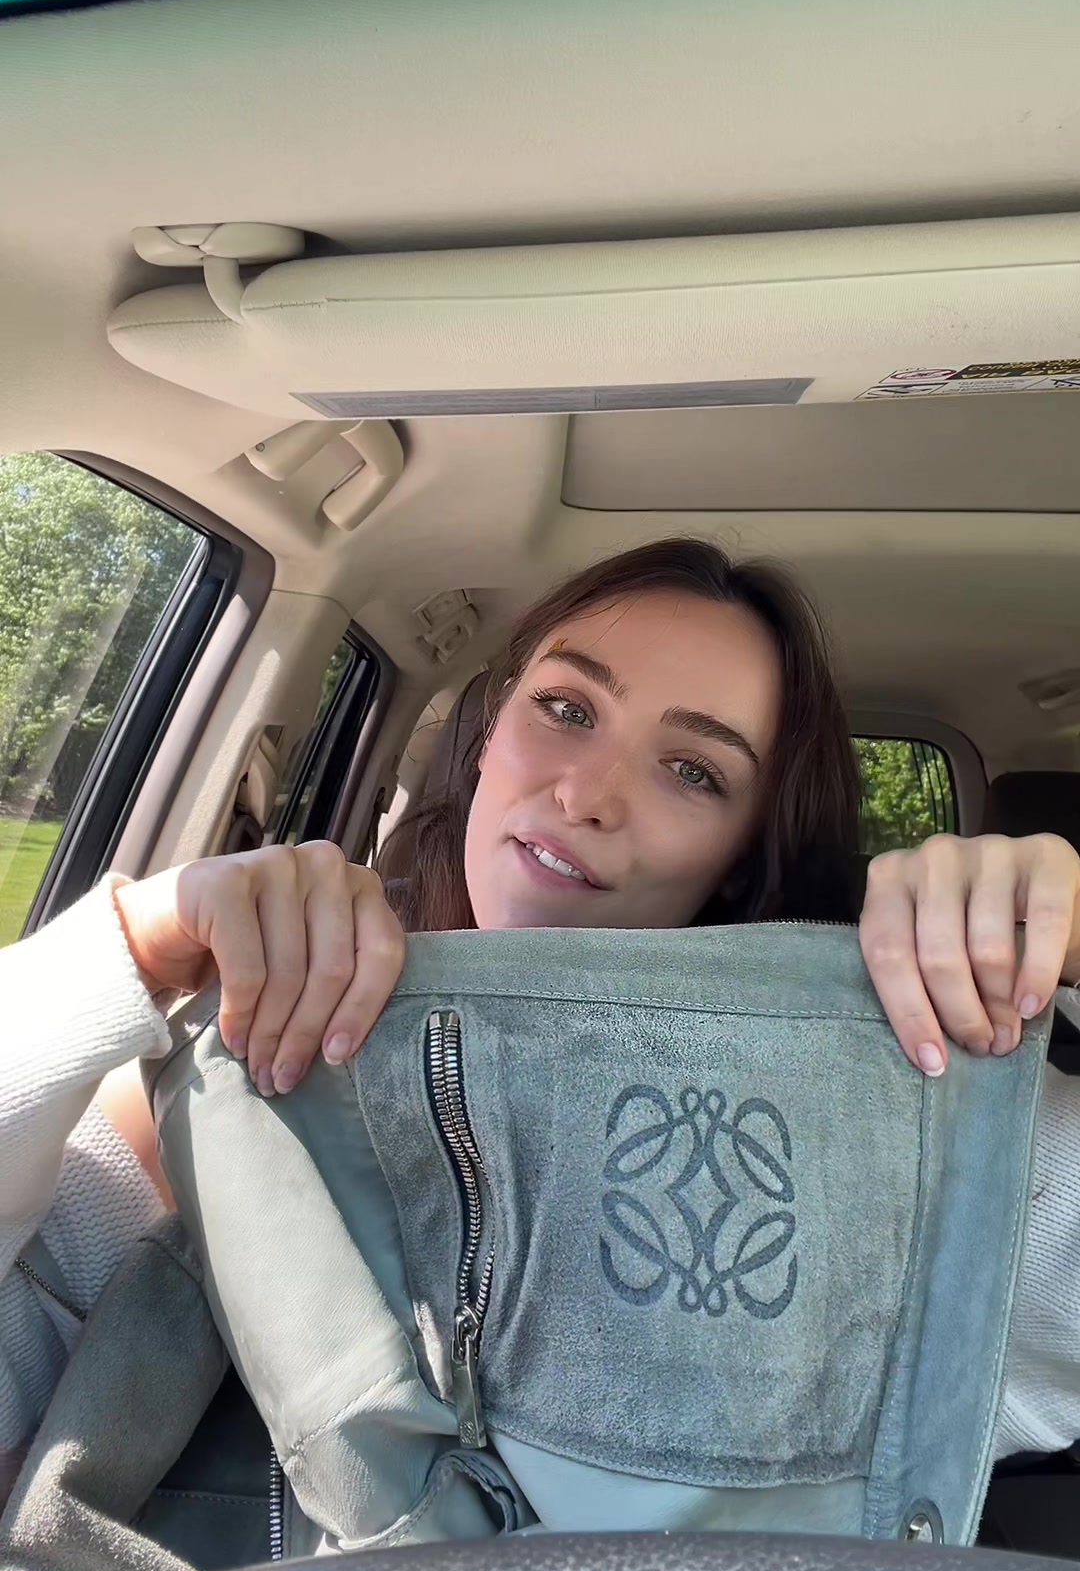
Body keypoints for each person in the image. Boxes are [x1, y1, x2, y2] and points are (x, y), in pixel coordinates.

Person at [2, 537, 1079, 1510]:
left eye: (693, 771)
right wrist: (137, 944)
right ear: (486, 736)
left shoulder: (891, 1140)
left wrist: (1066, 954)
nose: (587, 795)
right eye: (566, 709)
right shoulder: (244, 1056)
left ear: (741, 854)